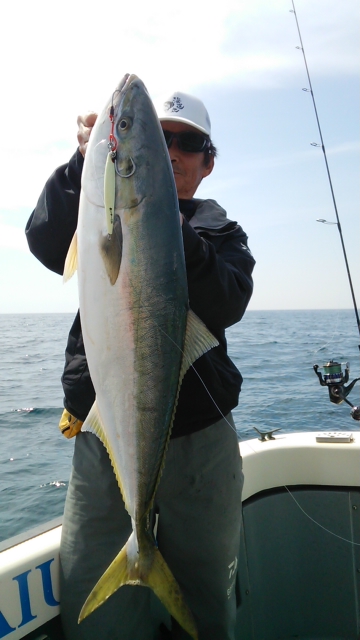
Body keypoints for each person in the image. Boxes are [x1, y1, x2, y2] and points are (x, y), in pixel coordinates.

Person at [26, 90, 255, 640]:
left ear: (208, 163)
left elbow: (230, 299)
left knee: (205, 606)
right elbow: (44, 238)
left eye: (188, 142)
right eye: (163, 138)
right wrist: (84, 165)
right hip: (105, 437)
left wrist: (167, 231)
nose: (173, 151)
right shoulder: (95, 208)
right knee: (93, 606)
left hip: (203, 443)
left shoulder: (223, 233)